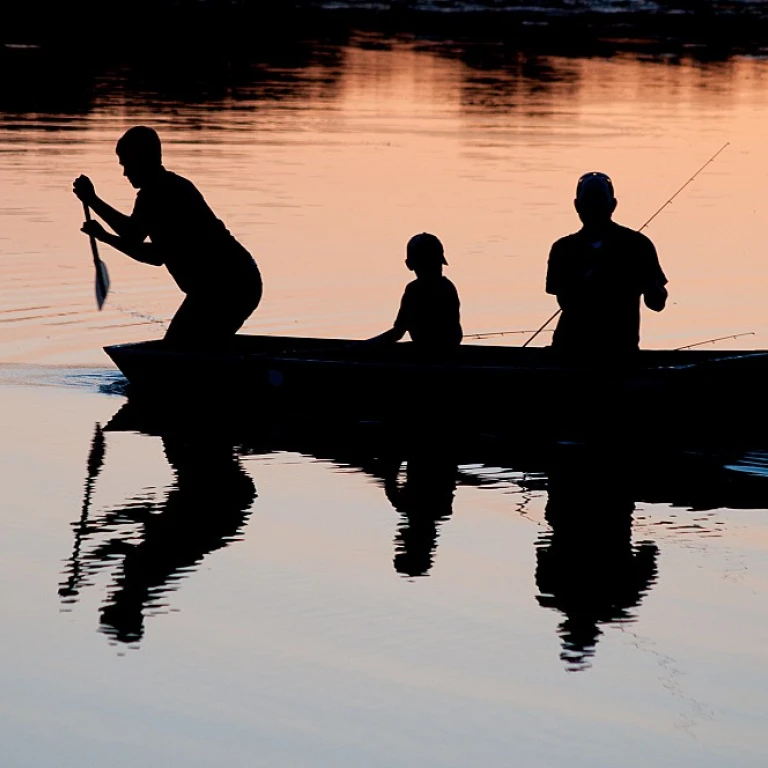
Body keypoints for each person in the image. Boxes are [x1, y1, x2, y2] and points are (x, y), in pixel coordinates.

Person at [72, 125, 263, 347]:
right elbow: (156, 256)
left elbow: (131, 235)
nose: (124, 173)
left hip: (226, 286)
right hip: (231, 284)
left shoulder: (159, 193)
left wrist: (93, 201)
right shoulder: (168, 187)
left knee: (179, 349)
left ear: (142, 159)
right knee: (191, 347)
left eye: (126, 164)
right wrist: (104, 236)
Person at [545, 172, 668, 358]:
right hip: (569, 350)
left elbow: (657, 304)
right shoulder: (563, 248)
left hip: (620, 351)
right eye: (589, 200)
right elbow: (566, 302)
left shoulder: (638, 244)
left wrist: (650, 285)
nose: (594, 206)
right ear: (577, 205)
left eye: (599, 199)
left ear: (613, 204)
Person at [368, 232, 462, 351]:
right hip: (448, 351)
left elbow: (398, 332)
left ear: (409, 265)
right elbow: (455, 336)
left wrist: (363, 346)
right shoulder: (448, 287)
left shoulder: (414, 290)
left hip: (428, 354)